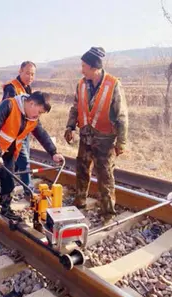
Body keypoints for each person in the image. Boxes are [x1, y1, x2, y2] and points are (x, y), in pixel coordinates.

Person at [0, 91, 64, 239]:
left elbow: (41, 134)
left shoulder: (32, 118)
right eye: (38, 112)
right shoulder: (8, 105)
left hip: (7, 153)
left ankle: (5, 209)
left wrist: (53, 152)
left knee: (8, 183)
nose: (38, 116)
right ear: (31, 104)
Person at [64, 47, 128, 221]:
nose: (81, 69)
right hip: (85, 136)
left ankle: (108, 213)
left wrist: (121, 142)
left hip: (105, 139)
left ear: (94, 68)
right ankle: (79, 203)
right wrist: (70, 127)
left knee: (105, 176)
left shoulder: (113, 84)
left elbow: (121, 115)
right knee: (82, 170)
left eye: (84, 66)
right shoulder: (81, 84)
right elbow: (76, 107)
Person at [2, 61, 36, 201]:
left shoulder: (27, 88)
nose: (30, 76)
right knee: (24, 159)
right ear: (20, 71)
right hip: (15, 132)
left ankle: (18, 181)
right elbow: (7, 109)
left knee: (22, 159)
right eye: (27, 73)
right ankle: (29, 191)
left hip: (24, 131)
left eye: (33, 74)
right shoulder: (12, 87)